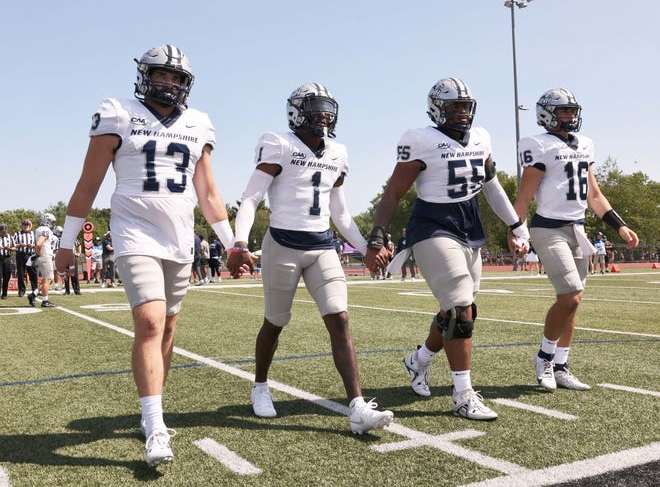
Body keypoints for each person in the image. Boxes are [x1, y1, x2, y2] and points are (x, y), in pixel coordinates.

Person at [55, 44, 234, 467]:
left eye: (176, 78)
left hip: (179, 235)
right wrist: (66, 241)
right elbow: (89, 182)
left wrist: (232, 242)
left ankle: (151, 408)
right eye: (161, 74)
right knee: (150, 321)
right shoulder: (117, 111)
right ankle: (155, 425)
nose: (168, 83)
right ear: (145, 76)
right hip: (134, 230)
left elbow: (207, 191)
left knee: (168, 327)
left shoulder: (198, 122)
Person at [226, 83, 393, 435]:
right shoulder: (279, 143)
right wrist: (239, 239)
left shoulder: (338, 152)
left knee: (340, 319)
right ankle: (259, 386)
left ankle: (358, 406)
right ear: (296, 112)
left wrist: (364, 246)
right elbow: (251, 198)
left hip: (322, 246)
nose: (323, 116)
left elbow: (341, 213)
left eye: (327, 110)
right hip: (282, 244)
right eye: (315, 109)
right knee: (275, 322)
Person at [364, 77, 529, 421]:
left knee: (462, 310)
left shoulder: (481, 137)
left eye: (464, 106)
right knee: (459, 309)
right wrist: (378, 235)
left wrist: (515, 225)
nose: (460, 112)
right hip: (432, 223)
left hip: (468, 225)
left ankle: (419, 360)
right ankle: (462, 395)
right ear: (437, 108)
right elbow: (394, 192)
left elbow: (492, 186)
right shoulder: (420, 139)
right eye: (453, 106)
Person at [512, 88, 639, 392]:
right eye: (563, 111)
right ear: (547, 114)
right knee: (571, 294)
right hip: (549, 229)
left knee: (571, 304)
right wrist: (516, 231)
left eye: (571, 111)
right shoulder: (538, 145)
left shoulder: (585, 144)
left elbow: (593, 195)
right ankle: (544, 358)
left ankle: (561, 366)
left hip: (577, 228)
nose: (569, 116)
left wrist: (618, 226)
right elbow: (525, 196)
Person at [28, 213, 58, 308]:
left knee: (50, 279)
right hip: (45, 255)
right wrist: (39, 253)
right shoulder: (45, 229)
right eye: (52, 221)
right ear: (47, 221)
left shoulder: (40, 229)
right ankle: (45, 301)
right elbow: (39, 243)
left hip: (44, 255)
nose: (53, 223)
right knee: (47, 279)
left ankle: (33, 295)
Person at [13, 219, 38, 297]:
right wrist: (19, 245)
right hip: (21, 254)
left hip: (31, 254)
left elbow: (38, 244)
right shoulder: (17, 234)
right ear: (22, 225)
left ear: (29, 226)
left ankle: (35, 290)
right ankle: (21, 291)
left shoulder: (33, 234)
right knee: (21, 273)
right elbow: (13, 244)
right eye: (24, 224)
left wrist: (33, 246)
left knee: (33, 273)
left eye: (27, 225)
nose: (26, 226)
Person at [0, 224, 15, 299]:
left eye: (5, 232)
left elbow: (14, 248)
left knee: (7, 276)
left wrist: (9, 248)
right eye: (2, 232)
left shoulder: (10, 237)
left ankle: (4, 294)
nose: (4, 233)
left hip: (7, 258)